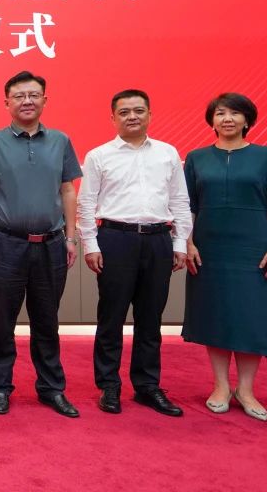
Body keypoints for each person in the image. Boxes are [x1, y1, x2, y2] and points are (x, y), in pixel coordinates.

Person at [76, 89, 190, 417]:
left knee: (150, 318)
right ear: (113, 118)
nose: (132, 117)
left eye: (139, 111)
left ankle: (147, 386)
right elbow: (86, 203)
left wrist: (180, 243)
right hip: (115, 238)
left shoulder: (168, 153)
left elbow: (180, 200)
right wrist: (91, 245)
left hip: (158, 239)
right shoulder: (99, 156)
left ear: (150, 115)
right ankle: (109, 385)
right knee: (111, 317)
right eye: (124, 112)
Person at [0, 71, 82, 418]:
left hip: (51, 244)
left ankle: (51, 389)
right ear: (7, 102)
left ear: (45, 100)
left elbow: (68, 189)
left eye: (33, 95)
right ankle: (0, 387)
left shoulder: (61, 141)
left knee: (47, 321)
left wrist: (70, 237)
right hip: (6, 243)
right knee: (1, 321)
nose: (27, 101)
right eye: (19, 96)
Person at [183, 92, 267, 422]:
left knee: (250, 316)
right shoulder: (196, 158)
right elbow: (187, 207)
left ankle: (246, 390)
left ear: (247, 120)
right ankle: (220, 386)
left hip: (254, 249)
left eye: (234, 113)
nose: (227, 119)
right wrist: (187, 243)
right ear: (212, 120)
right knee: (216, 314)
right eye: (220, 113)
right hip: (209, 248)